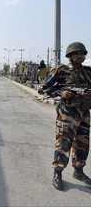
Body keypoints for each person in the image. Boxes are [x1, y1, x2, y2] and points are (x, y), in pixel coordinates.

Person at [39, 42, 91, 191]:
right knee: (63, 144)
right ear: (69, 56)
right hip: (67, 113)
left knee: (83, 144)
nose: (80, 56)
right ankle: (58, 172)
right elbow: (43, 89)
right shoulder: (60, 70)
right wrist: (60, 93)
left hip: (84, 113)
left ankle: (79, 171)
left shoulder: (88, 72)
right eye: (76, 54)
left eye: (82, 53)